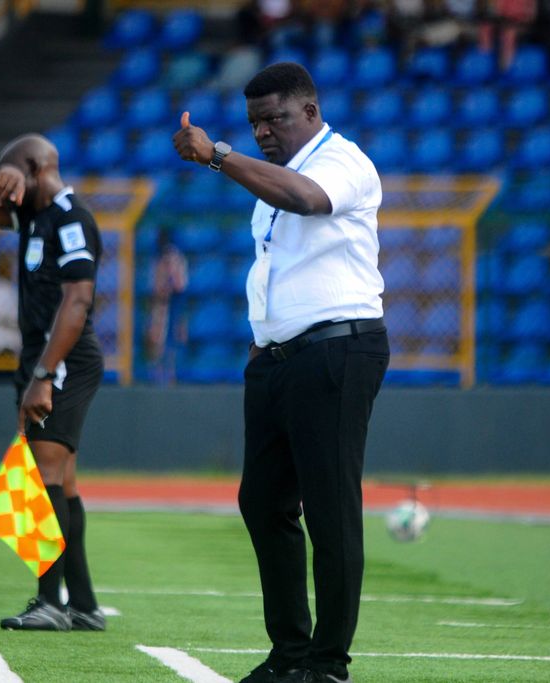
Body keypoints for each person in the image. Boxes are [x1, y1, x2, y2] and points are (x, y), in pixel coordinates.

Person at [172, 62, 389, 683]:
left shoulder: (343, 161)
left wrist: (219, 155)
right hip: (277, 357)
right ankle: (290, 655)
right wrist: (261, 343)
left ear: (311, 112)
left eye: (275, 119)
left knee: (329, 508)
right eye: (254, 123)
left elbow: (306, 199)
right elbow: (279, 264)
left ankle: (328, 664)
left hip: (337, 348)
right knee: (262, 501)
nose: (263, 131)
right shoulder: (278, 175)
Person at [0, 134, 105, 632]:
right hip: (40, 359)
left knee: (44, 477)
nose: (4, 193)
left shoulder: (70, 218)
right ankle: (83, 604)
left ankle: (50, 602)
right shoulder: (32, 217)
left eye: (14, 175)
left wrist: (43, 375)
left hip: (63, 360)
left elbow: (78, 302)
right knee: (63, 480)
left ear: (39, 168)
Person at [144, 228, 188, 384]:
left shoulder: (176, 258)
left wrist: (171, 276)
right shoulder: (158, 260)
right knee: (157, 336)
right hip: (160, 304)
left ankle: (171, 372)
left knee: (174, 337)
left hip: (174, 303)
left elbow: (180, 285)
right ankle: (156, 371)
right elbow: (156, 288)